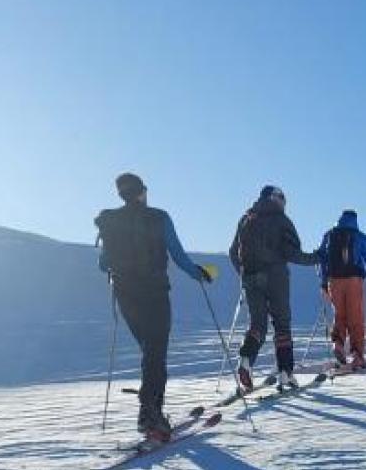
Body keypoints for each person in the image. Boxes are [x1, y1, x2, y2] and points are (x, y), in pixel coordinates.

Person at [94, 173, 212, 441]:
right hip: (154, 292)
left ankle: (152, 411)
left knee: (150, 352)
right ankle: (150, 415)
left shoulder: (111, 221)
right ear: (141, 192)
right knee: (156, 352)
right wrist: (197, 273)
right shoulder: (159, 217)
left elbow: (103, 264)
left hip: (125, 295)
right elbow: (177, 254)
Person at [229, 185, 317, 391]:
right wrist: (316, 258)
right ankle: (286, 373)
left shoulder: (246, 219)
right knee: (282, 324)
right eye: (283, 199)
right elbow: (292, 253)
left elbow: (233, 252)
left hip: (250, 278)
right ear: (276, 198)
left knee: (257, 324)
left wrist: (244, 274)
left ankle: (245, 360)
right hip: (276, 277)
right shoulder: (281, 219)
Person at [316, 210, 366, 370]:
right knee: (356, 316)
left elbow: (322, 259)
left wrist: (324, 282)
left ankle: (338, 344)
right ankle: (357, 355)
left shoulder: (329, 235)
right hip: (354, 280)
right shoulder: (359, 236)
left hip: (334, 280)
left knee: (339, 315)